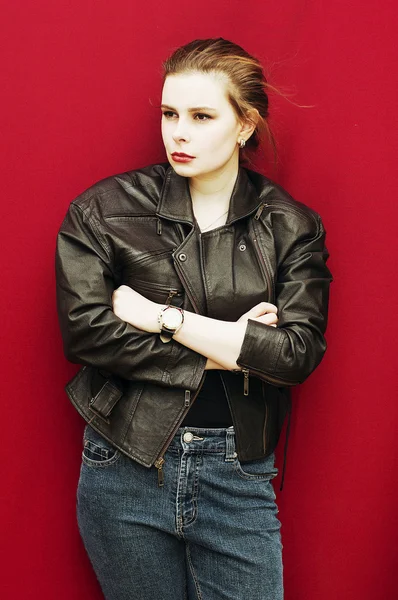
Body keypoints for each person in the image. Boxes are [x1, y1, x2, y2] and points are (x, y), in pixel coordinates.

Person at [55, 38, 332, 600]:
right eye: (169, 113)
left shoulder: (291, 226)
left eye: (202, 116)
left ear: (245, 125)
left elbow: (297, 355)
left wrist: (162, 317)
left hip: (238, 473)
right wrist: (234, 344)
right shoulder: (103, 211)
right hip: (124, 465)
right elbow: (87, 333)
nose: (177, 132)